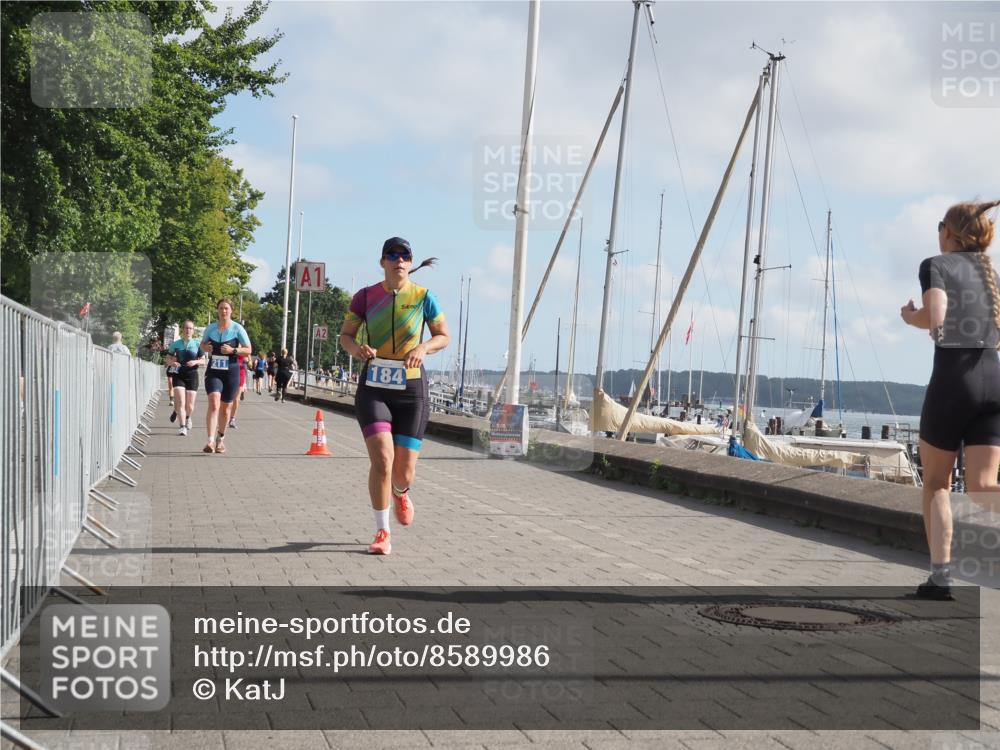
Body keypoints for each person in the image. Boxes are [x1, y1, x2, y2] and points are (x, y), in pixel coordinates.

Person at [901, 199, 1000, 600]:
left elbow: (936, 314)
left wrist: (913, 318)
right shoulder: (991, 274)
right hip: (994, 379)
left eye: (939, 225)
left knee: (938, 484)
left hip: (953, 380)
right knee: (982, 487)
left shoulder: (936, 264)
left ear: (949, 233)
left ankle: (940, 580)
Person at [339, 237, 449, 555]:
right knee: (383, 460)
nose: (399, 260)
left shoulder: (424, 297)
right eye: (392, 255)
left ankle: (401, 492)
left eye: (405, 256)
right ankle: (382, 531)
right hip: (374, 387)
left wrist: (423, 347)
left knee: (403, 472)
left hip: (411, 389)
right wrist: (356, 348)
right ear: (382, 262)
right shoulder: (365, 296)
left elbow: (443, 336)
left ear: (411, 262)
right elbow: (346, 335)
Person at [200, 298, 252, 454]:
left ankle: (220, 439)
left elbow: (249, 349)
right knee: (214, 403)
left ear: (231, 311)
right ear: (217, 310)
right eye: (221, 308)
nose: (223, 311)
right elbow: (202, 345)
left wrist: (233, 351)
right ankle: (209, 441)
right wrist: (206, 347)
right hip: (214, 371)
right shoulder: (211, 328)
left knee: (226, 408)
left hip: (231, 371)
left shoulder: (237, 329)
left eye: (226, 308)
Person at [165, 321, 205, 436]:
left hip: (192, 375)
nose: (188, 330)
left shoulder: (198, 344)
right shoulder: (175, 344)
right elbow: (167, 358)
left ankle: (187, 416)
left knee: (190, 405)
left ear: (193, 330)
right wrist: (172, 363)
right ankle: (182, 426)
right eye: (186, 328)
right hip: (179, 375)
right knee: (181, 401)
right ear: (183, 330)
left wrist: (195, 361)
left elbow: (203, 360)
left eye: (190, 328)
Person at [228, 354, 248, 428]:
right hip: (229, 372)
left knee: (236, 399)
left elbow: (249, 362)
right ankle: (224, 415)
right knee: (228, 398)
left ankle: (232, 419)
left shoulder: (244, 346)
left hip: (240, 373)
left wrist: (247, 361)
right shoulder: (230, 344)